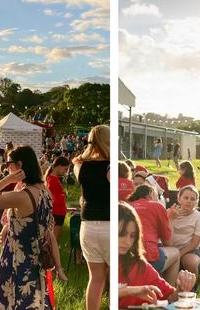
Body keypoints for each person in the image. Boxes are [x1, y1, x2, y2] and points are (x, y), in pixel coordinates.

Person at [0, 145, 65, 308]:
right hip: (36, 261)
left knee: (10, 302)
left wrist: (7, 180)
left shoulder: (22, 196)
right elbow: (48, 234)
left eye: (9, 162)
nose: (6, 166)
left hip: (15, 260)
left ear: (20, 165)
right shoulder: (45, 192)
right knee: (33, 302)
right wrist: (58, 266)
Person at [118, 202, 197, 308]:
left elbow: (170, 298)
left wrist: (181, 288)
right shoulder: (102, 265)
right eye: (121, 234)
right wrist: (129, 291)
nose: (128, 241)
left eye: (132, 235)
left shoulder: (139, 265)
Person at [72, 125, 110, 310]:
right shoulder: (112, 167)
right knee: (115, 280)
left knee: (95, 278)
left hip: (87, 226)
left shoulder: (80, 165)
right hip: (109, 225)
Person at [128, 185, 180, 285]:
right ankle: (169, 296)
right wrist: (171, 219)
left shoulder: (126, 206)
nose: (159, 199)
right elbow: (168, 242)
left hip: (124, 259)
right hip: (147, 258)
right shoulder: (157, 206)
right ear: (151, 194)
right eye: (157, 196)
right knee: (176, 253)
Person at [165, 186, 200, 280]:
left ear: (197, 201)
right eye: (186, 198)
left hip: (191, 249)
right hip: (170, 247)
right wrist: (171, 219)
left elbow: (194, 244)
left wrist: (177, 255)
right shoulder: (169, 212)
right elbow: (166, 238)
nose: (189, 201)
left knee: (190, 262)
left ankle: (190, 290)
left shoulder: (199, 217)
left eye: (193, 199)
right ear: (179, 198)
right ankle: (169, 290)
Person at [45, 156, 71, 241]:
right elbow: (51, 198)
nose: (65, 172)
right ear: (59, 166)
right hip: (56, 213)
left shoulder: (54, 178)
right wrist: (62, 195)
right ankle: (50, 254)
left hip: (59, 212)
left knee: (54, 239)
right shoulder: (52, 179)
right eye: (65, 169)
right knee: (53, 241)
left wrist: (62, 195)